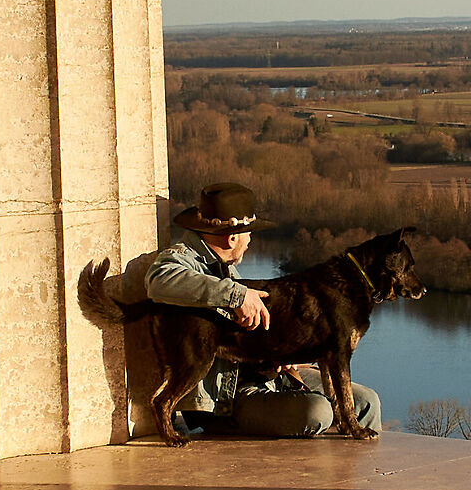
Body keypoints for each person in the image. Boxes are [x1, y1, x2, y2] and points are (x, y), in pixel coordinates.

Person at [142, 182, 383, 439]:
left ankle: (352, 475)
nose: (251, 242)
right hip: (227, 398)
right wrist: (238, 295)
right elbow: (158, 279)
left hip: (267, 374)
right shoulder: (183, 259)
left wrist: (289, 353)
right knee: (318, 412)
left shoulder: (226, 266)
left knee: (367, 402)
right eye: (249, 234)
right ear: (232, 237)